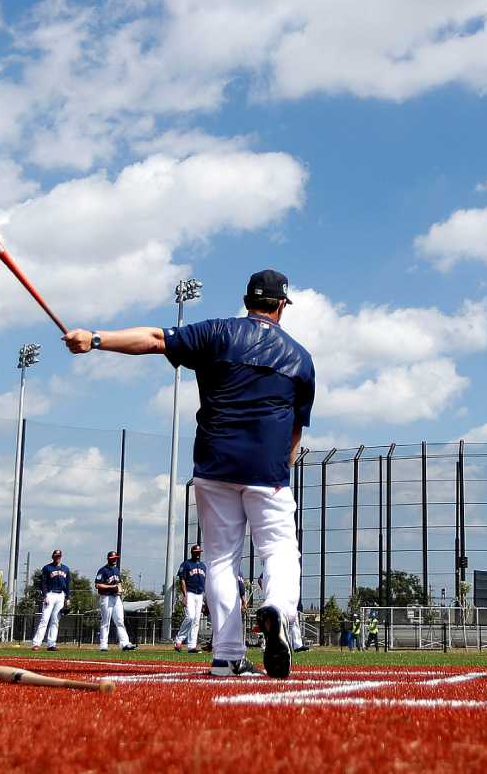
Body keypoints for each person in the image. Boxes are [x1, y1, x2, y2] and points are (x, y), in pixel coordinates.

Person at [66, 268, 316, 679]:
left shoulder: (217, 332)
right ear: (282, 305)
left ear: (247, 299)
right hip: (267, 470)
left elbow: (154, 339)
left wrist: (95, 339)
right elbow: (294, 433)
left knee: (220, 558)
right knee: (280, 551)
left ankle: (227, 656)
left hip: (213, 463)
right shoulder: (300, 358)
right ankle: (278, 608)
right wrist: (280, 471)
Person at [30, 549, 71, 651]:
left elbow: (67, 585)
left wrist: (68, 597)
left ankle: (51, 644)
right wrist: (45, 595)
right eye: (56, 556)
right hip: (50, 594)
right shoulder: (47, 568)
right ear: (52, 557)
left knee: (55, 620)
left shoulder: (66, 569)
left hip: (61, 595)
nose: (57, 558)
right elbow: (43, 583)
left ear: (61, 557)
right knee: (44, 619)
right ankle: (37, 643)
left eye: (59, 556)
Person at [173, 544, 207, 652]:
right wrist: (185, 595)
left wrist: (205, 600)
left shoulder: (203, 566)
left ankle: (192, 646)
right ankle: (179, 639)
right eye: (196, 552)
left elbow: (205, 583)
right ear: (192, 552)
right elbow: (182, 580)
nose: (198, 554)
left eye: (199, 552)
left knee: (196, 620)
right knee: (190, 617)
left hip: (200, 594)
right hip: (190, 593)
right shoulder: (186, 564)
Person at [95, 550, 130, 652]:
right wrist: (112, 586)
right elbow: (97, 585)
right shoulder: (103, 570)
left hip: (116, 597)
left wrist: (120, 589)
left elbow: (118, 583)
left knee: (120, 620)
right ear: (108, 559)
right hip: (106, 597)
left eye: (115, 558)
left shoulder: (116, 570)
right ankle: (103, 644)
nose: (114, 560)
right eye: (112, 559)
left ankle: (125, 643)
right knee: (106, 622)